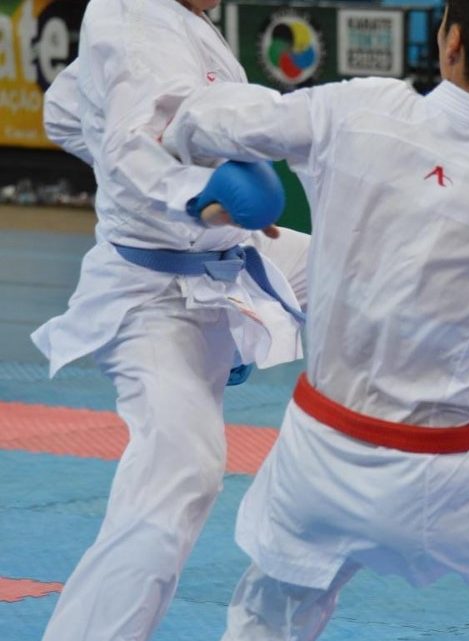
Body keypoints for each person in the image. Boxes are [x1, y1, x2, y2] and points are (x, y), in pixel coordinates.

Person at [164, 0, 469, 639]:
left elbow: (204, 122)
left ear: (448, 42)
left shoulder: (358, 109)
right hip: (442, 487)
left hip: (313, 462)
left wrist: (195, 179)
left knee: (270, 615)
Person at [30, 1, 309, 640]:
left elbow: (64, 112)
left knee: (364, 265)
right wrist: (199, 197)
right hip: (153, 293)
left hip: (226, 262)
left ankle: (406, 447)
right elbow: (133, 142)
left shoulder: (187, 20)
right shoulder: (134, 19)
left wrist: (210, 190)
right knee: (182, 468)